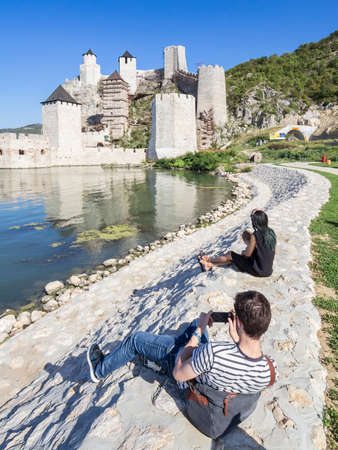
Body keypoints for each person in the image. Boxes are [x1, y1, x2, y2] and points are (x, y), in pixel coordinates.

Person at [87, 290, 277, 437]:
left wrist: (199, 332)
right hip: (223, 400)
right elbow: (240, 370)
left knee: (137, 339)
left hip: (192, 389)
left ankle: (99, 370)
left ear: (240, 324)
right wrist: (236, 340)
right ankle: (169, 348)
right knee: (195, 323)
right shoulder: (270, 368)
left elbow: (179, 372)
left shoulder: (214, 353)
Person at [199, 209, 276, 277]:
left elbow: (247, 254)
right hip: (268, 271)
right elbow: (274, 251)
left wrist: (244, 252)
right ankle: (210, 265)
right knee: (234, 260)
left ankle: (209, 260)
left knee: (230, 254)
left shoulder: (255, 235)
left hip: (257, 270)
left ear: (255, 222)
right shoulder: (272, 233)